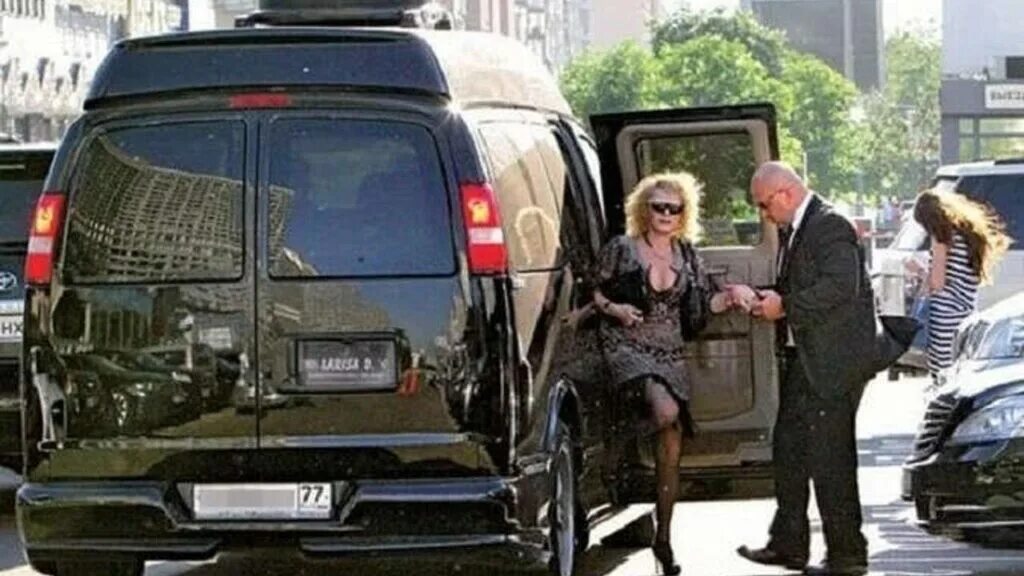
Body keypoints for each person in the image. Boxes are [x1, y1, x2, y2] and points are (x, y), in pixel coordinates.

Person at [591, 172, 750, 575]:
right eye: (658, 206)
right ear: (644, 209)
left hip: (670, 352)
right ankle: (620, 441)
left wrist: (730, 298)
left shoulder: (687, 255)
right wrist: (616, 310)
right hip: (626, 346)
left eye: (674, 208)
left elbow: (701, 306)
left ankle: (663, 540)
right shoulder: (622, 248)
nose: (665, 214)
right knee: (665, 411)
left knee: (672, 443)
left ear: (684, 214)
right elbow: (593, 291)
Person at [735, 162, 877, 576]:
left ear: (785, 194)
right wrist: (765, 297)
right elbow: (804, 285)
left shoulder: (829, 224)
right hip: (807, 360)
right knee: (790, 450)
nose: (764, 214)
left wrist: (785, 307)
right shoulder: (800, 228)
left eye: (764, 204)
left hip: (833, 362)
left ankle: (847, 555)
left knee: (831, 459)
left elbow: (841, 287)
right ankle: (788, 543)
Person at [912, 189, 1011, 381]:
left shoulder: (941, 239)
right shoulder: (968, 235)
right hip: (965, 313)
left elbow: (937, 283)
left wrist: (920, 271)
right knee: (959, 372)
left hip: (944, 318)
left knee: (943, 375)